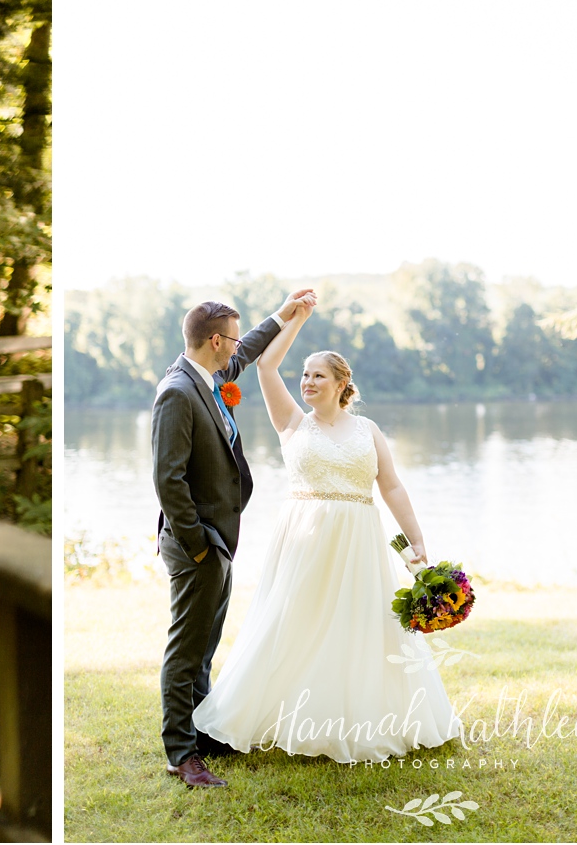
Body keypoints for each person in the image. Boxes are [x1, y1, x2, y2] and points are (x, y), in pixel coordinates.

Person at [192, 298, 460, 764]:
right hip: (304, 539)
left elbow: (392, 487)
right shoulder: (292, 421)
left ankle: (359, 720)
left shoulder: (369, 431)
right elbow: (266, 367)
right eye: (305, 374)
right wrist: (295, 320)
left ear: (342, 385)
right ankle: (273, 715)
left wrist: (415, 540)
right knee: (293, 624)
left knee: (361, 626)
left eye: (318, 375)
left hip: (359, 539)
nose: (308, 381)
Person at [152, 291, 313, 788]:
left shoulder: (211, 376)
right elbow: (168, 480)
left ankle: (201, 733)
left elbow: (246, 354)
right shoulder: (178, 392)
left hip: (220, 539)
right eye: (234, 338)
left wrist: (282, 315)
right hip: (198, 544)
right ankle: (182, 754)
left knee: (204, 646)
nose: (238, 348)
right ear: (215, 340)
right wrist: (200, 544)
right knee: (186, 649)